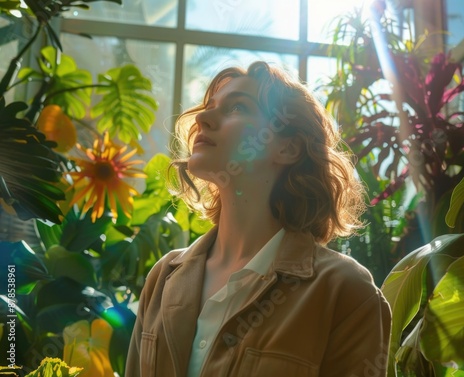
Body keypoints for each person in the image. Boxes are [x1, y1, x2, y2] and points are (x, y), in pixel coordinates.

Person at [125, 61, 392, 377]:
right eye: (209, 107)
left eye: (237, 107)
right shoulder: (163, 278)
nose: (202, 118)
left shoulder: (344, 290)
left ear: (288, 147)